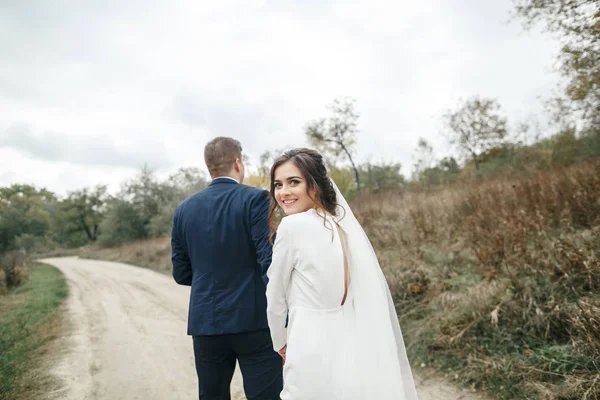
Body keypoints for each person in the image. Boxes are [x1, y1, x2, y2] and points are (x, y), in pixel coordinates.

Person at [265, 148, 419, 399]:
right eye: (277, 185)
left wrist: (279, 342)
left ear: (314, 185)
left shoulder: (292, 226)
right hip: (346, 341)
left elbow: (275, 297)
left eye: (294, 182)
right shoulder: (339, 226)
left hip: (308, 341)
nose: (283, 192)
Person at [171, 137, 283, 400]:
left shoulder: (183, 210)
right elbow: (270, 263)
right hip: (254, 323)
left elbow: (181, 273)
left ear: (209, 167)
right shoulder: (256, 199)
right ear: (237, 163)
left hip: (205, 323)